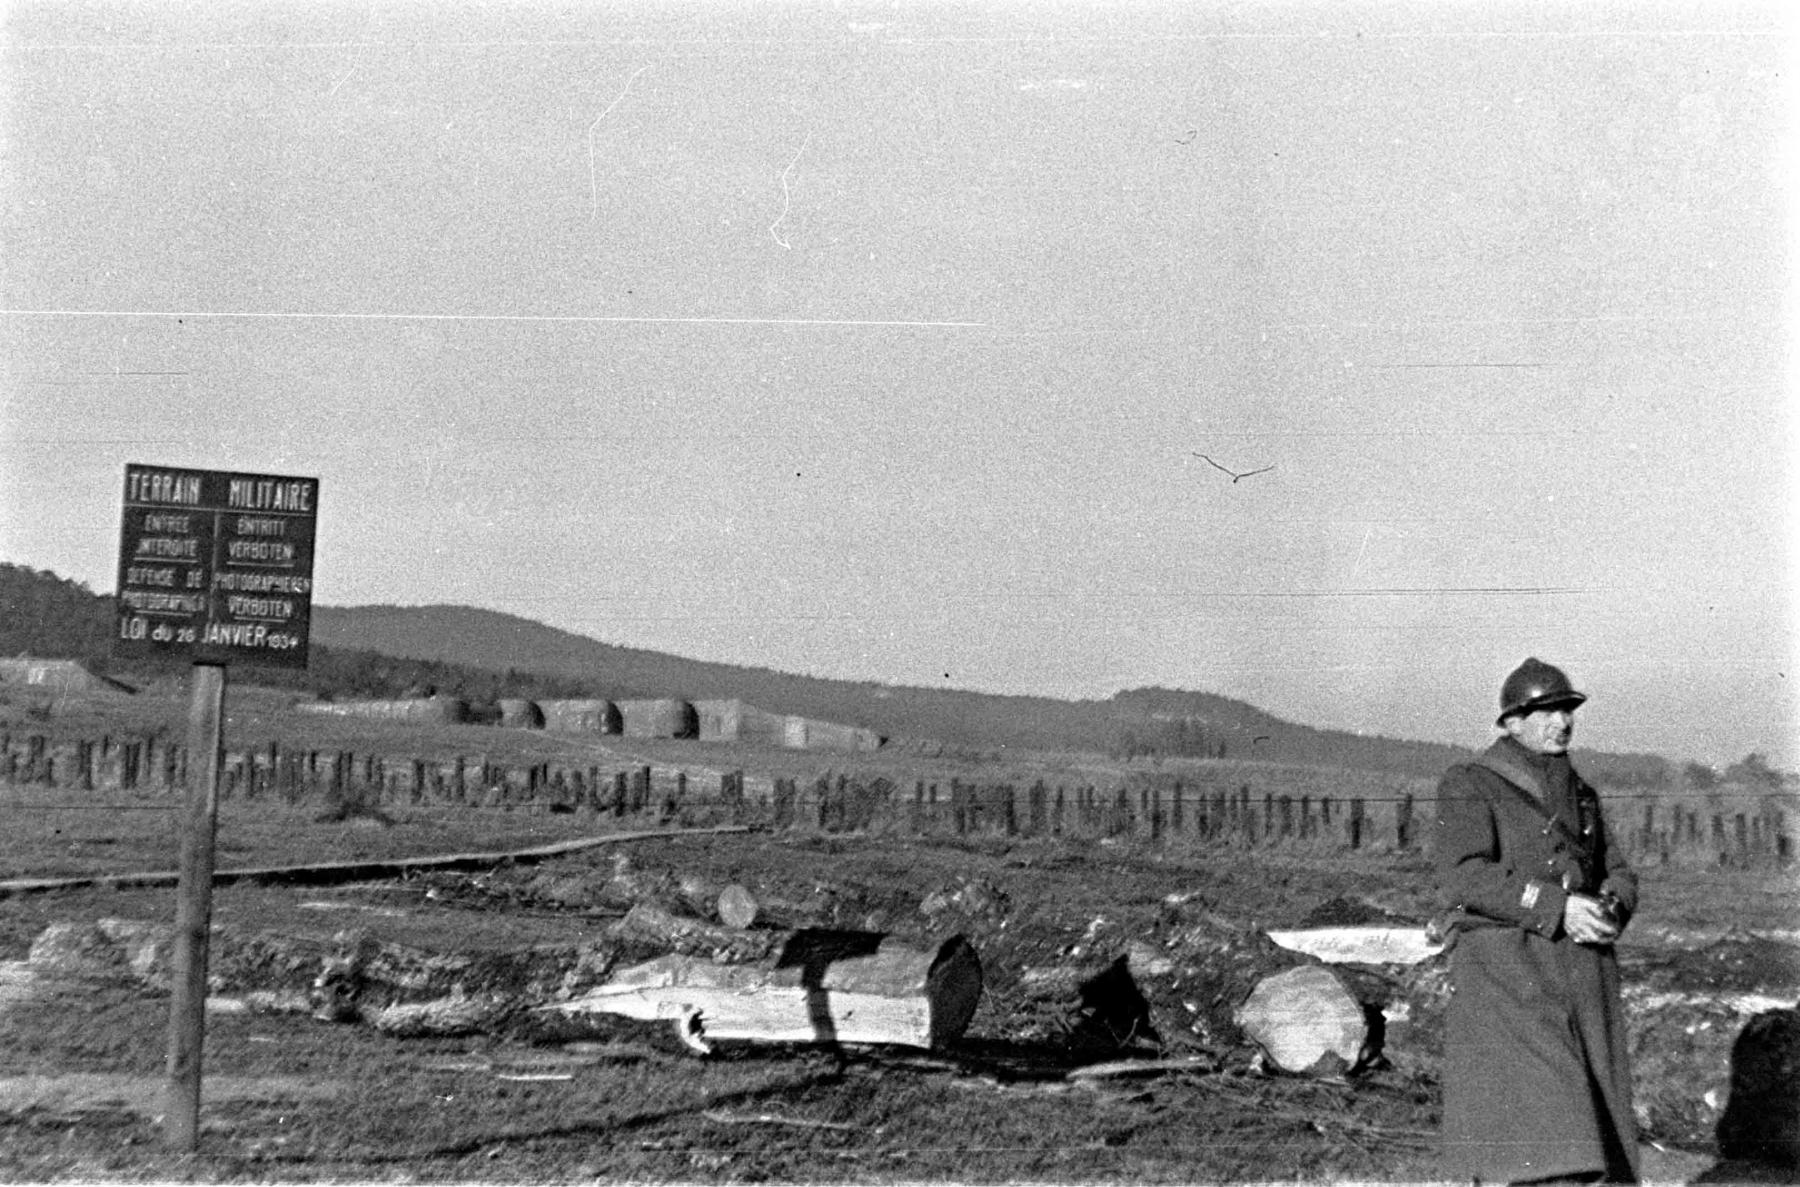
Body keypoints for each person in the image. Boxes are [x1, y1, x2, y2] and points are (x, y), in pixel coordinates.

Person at [1433, 657, 1641, 1184]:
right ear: (1512, 723)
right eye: (1546, 711)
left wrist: (1610, 906)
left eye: (1567, 710)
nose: (1562, 722)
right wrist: (1558, 907)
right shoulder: (1472, 783)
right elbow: (1465, 876)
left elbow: (1617, 870)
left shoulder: (1582, 794)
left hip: (1583, 971)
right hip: (1509, 971)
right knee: (1549, 1134)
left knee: (1597, 1131)